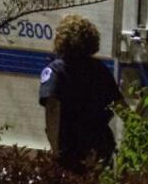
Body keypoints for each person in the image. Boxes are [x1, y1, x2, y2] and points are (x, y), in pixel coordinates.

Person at [39, 14, 123, 171]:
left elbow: (52, 109)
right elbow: (119, 105)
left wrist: (54, 147)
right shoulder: (100, 69)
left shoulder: (56, 71)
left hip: (71, 146)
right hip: (99, 144)